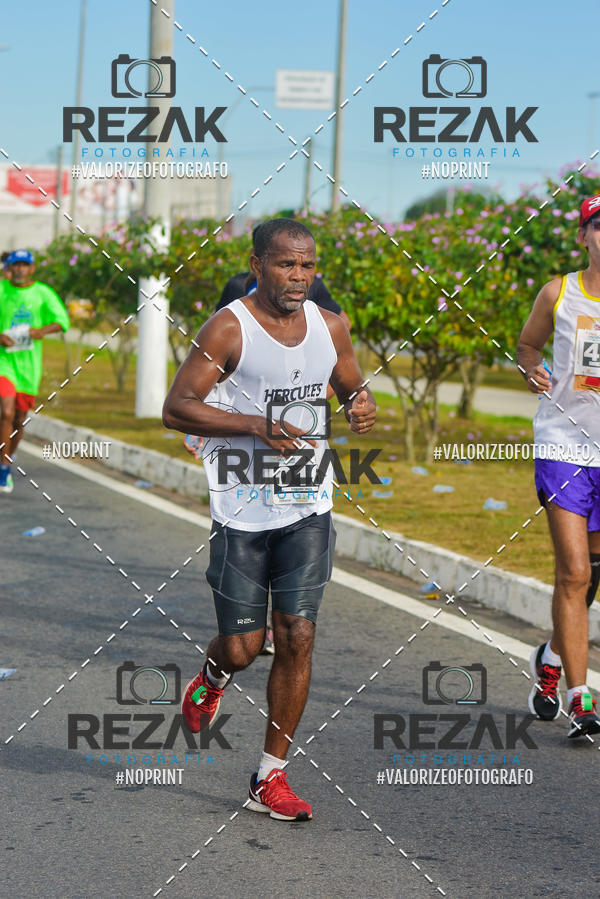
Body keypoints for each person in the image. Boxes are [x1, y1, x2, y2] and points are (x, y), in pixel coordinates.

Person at [163, 218, 376, 820]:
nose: (299, 277)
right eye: (286, 265)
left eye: (308, 266)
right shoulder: (229, 327)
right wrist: (256, 426)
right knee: (242, 646)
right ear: (258, 265)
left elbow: (350, 383)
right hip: (243, 512)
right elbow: (177, 407)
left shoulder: (331, 326)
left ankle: (269, 776)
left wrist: (359, 403)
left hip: (308, 503)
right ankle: (213, 672)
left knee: (297, 636)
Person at [517, 195, 600, 739]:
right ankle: (581, 697)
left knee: (593, 574)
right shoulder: (560, 291)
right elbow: (527, 345)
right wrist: (531, 369)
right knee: (573, 572)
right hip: (564, 445)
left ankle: (549, 655)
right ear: (584, 237)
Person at [0, 250, 70, 493]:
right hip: (3, 362)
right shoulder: (2, 291)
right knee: (6, 411)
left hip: (29, 367)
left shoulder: (42, 293)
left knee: (20, 419)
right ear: (8, 268)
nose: (19, 269)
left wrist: (41, 331)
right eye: (15, 265)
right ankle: (3, 467)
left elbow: (62, 320)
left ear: (32, 268)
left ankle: (7, 459)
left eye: (24, 265)